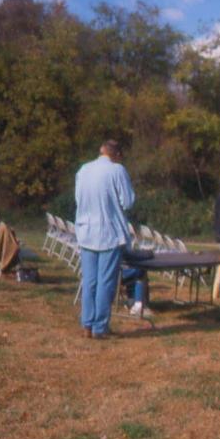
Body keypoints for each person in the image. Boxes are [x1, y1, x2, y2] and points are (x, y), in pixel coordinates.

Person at [75, 140, 135, 339]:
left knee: (89, 281)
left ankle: (87, 324)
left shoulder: (83, 169)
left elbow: (78, 198)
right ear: (116, 154)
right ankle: (100, 327)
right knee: (105, 282)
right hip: (108, 232)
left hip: (86, 230)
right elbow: (128, 202)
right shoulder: (117, 170)